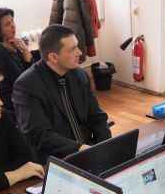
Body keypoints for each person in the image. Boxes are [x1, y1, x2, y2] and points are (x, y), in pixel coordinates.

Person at [13, 24, 111, 164]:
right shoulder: (26, 86)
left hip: (87, 151)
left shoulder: (80, 74)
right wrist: (79, 149)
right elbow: (40, 136)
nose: (80, 52)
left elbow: (97, 116)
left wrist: (105, 147)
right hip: (56, 161)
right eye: (72, 49)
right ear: (53, 57)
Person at [0, 7, 34, 112]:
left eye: (12, 21)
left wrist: (24, 49)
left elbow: (27, 72)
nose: (13, 26)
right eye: (7, 24)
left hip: (19, 96)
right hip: (15, 105)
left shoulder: (9, 44)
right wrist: (25, 50)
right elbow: (27, 82)